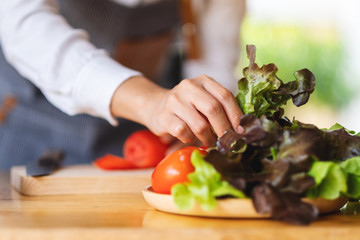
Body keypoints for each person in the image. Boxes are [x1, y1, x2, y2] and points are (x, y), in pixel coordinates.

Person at [0, 0, 246, 169]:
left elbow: (214, 58)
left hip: (133, 140)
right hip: (30, 128)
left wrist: (198, 122)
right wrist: (150, 101)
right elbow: (25, 28)